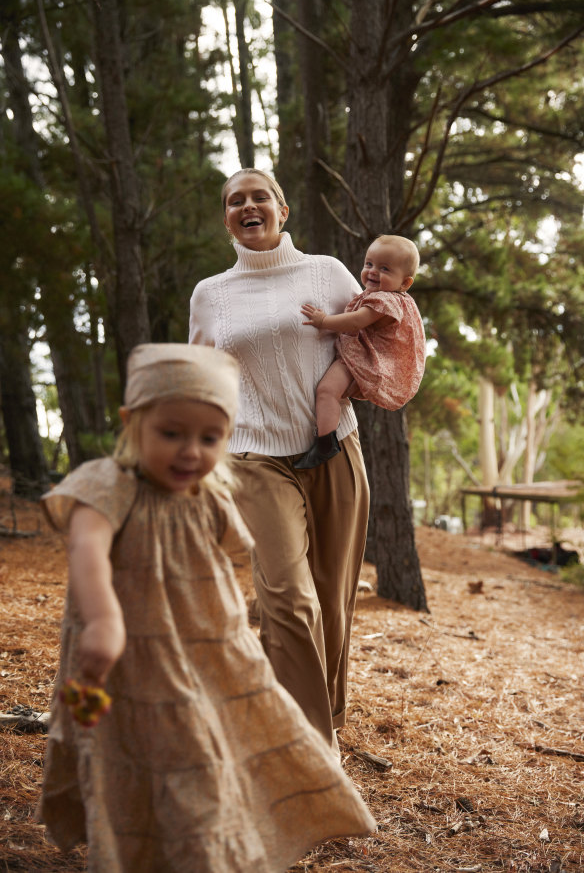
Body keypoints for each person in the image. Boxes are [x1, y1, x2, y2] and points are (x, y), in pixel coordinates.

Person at [37, 343, 375, 873]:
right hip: (127, 652)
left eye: (210, 438)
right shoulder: (107, 485)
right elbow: (86, 548)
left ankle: (211, 843)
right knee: (132, 750)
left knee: (207, 746)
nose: (191, 452)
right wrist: (103, 619)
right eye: (171, 433)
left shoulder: (208, 494)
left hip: (206, 648)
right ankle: (144, 845)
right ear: (132, 422)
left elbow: (237, 546)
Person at [189, 169, 369, 753]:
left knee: (332, 595)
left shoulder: (327, 273)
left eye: (259, 196)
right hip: (256, 458)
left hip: (334, 450)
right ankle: (310, 749)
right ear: (227, 219)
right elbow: (202, 379)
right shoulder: (210, 294)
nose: (248, 206)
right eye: (235, 201)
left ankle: (327, 716)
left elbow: (376, 338)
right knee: (288, 598)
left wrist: (355, 384)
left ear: (282, 208)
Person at [294, 234, 426, 469]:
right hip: (368, 356)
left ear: (405, 283)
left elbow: (356, 322)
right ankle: (326, 438)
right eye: (369, 264)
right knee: (330, 393)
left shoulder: (386, 300)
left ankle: (325, 443)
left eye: (385, 268)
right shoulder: (390, 298)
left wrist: (323, 320)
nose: (373, 272)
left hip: (365, 358)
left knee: (326, 391)